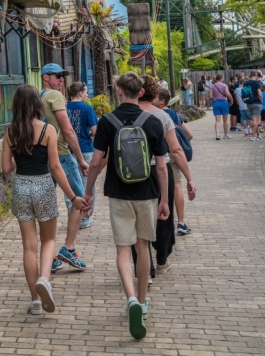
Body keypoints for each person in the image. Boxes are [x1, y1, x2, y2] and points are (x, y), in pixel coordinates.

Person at [83, 72, 169, 340]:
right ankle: (142, 303)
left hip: (118, 192)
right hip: (147, 193)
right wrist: (165, 200)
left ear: (119, 91)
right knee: (143, 247)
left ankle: (130, 298)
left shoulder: (107, 121)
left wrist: (88, 194)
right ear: (141, 92)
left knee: (123, 249)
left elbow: (95, 162)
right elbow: (162, 167)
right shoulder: (153, 122)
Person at [1, 85, 90, 315]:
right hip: (43, 185)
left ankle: (35, 302)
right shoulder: (48, 130)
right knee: (49, 240)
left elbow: (5, 168)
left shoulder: (10, 132)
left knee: (29, 247)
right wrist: (73, 197)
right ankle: (44, 279)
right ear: (37, 104)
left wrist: (19, 155)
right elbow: (56, 167)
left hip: (21, 187)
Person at [137, 75, 195, 272]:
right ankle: (162, 259)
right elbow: (176, 149)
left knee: (139, 217)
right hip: (160, 169)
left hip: (134, 171)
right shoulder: (163, 116)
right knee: (164, 215)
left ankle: (144, 267)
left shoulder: (124, 114)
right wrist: (189, 178)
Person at [38, 63, 88, 272]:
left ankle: (49, 255)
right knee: (80, 201)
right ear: (46, 77)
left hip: (44, 157)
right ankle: (69, 248)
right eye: (57, 76)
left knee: (46, 205)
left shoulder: (39, 96)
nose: (61, 80)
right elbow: (67, 130)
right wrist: (81, 158)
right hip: (63, 155)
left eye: (63, 76)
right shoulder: (55, 96)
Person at [153, 87, 194, 236]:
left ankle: (158, 222)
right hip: (174, 154)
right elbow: (189, 135)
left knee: (158, 187)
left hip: (159, 155)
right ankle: (181, 223)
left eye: (155, 97)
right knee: (177, 186)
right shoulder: (174, 115)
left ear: (162, 101)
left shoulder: (153, 114)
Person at [66, 82, 99, 229]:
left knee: (70, 184)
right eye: (85, 92)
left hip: (66, 150)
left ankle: (72, 216)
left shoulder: (64, 107)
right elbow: (95, 131)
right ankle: (84, 219)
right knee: (86, 185)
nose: (87, 94)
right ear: (80, 92)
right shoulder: (87, 108)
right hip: (85, 149)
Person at [210, 73, 232, 140]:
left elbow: (210, 96)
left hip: (216, 103)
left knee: (217, 120)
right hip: (224, 103)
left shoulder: (212, 86)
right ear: (221, 78)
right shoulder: (224, 85)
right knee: (225, 120)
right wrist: (231, 99)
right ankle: (225, 134)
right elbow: (228, 94)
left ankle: (217, 134)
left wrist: (215, 97)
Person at [245, 71, 264, 141]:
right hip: (257, 103)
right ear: (256, 75)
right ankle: (253, 136)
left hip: (249, 103)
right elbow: (259, 94)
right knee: (255, 120)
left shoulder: (246, 83)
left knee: (254, 119)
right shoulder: (257, 83)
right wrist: (262, 101)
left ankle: (258, 135)